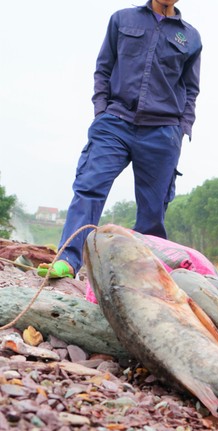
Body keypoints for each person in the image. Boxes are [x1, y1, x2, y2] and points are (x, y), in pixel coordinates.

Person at [38, 0, 202, 279]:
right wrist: (101, 112)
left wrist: (181, 129)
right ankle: (67, 261)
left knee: (152, 212)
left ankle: (143, 278)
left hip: (162, 131)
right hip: (115, 122)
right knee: (89, 187)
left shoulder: (190, 37)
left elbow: (190, 88)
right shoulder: (122, 19)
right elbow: (103, 68)